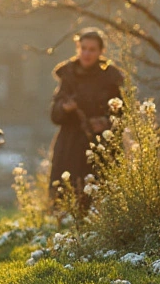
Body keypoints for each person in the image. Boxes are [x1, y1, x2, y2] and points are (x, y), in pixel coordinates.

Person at [48, 27, 124, 202]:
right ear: (77, 48)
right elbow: (54, 115)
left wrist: (106, 122)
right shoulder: (68, 75)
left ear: (101, 51)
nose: (87, 53)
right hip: (70, 146)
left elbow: (122, 112)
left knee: (102, 196)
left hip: (102, 145)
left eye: (92, 49)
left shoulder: (110, 76)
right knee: (67, 197)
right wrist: (65, 108)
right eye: (83, 48)